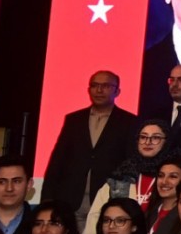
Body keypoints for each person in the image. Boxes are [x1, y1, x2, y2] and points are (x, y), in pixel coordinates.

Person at [42, 69, 139, 214]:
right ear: (89, 90)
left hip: (108, 200)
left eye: (106, 86)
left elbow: (131, 162)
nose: (99, 90)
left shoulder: (130, 122)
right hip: (70, 200)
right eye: (94, 85)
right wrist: (47, 198)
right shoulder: (74, 120)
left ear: (117, 91)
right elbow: (58, 160)